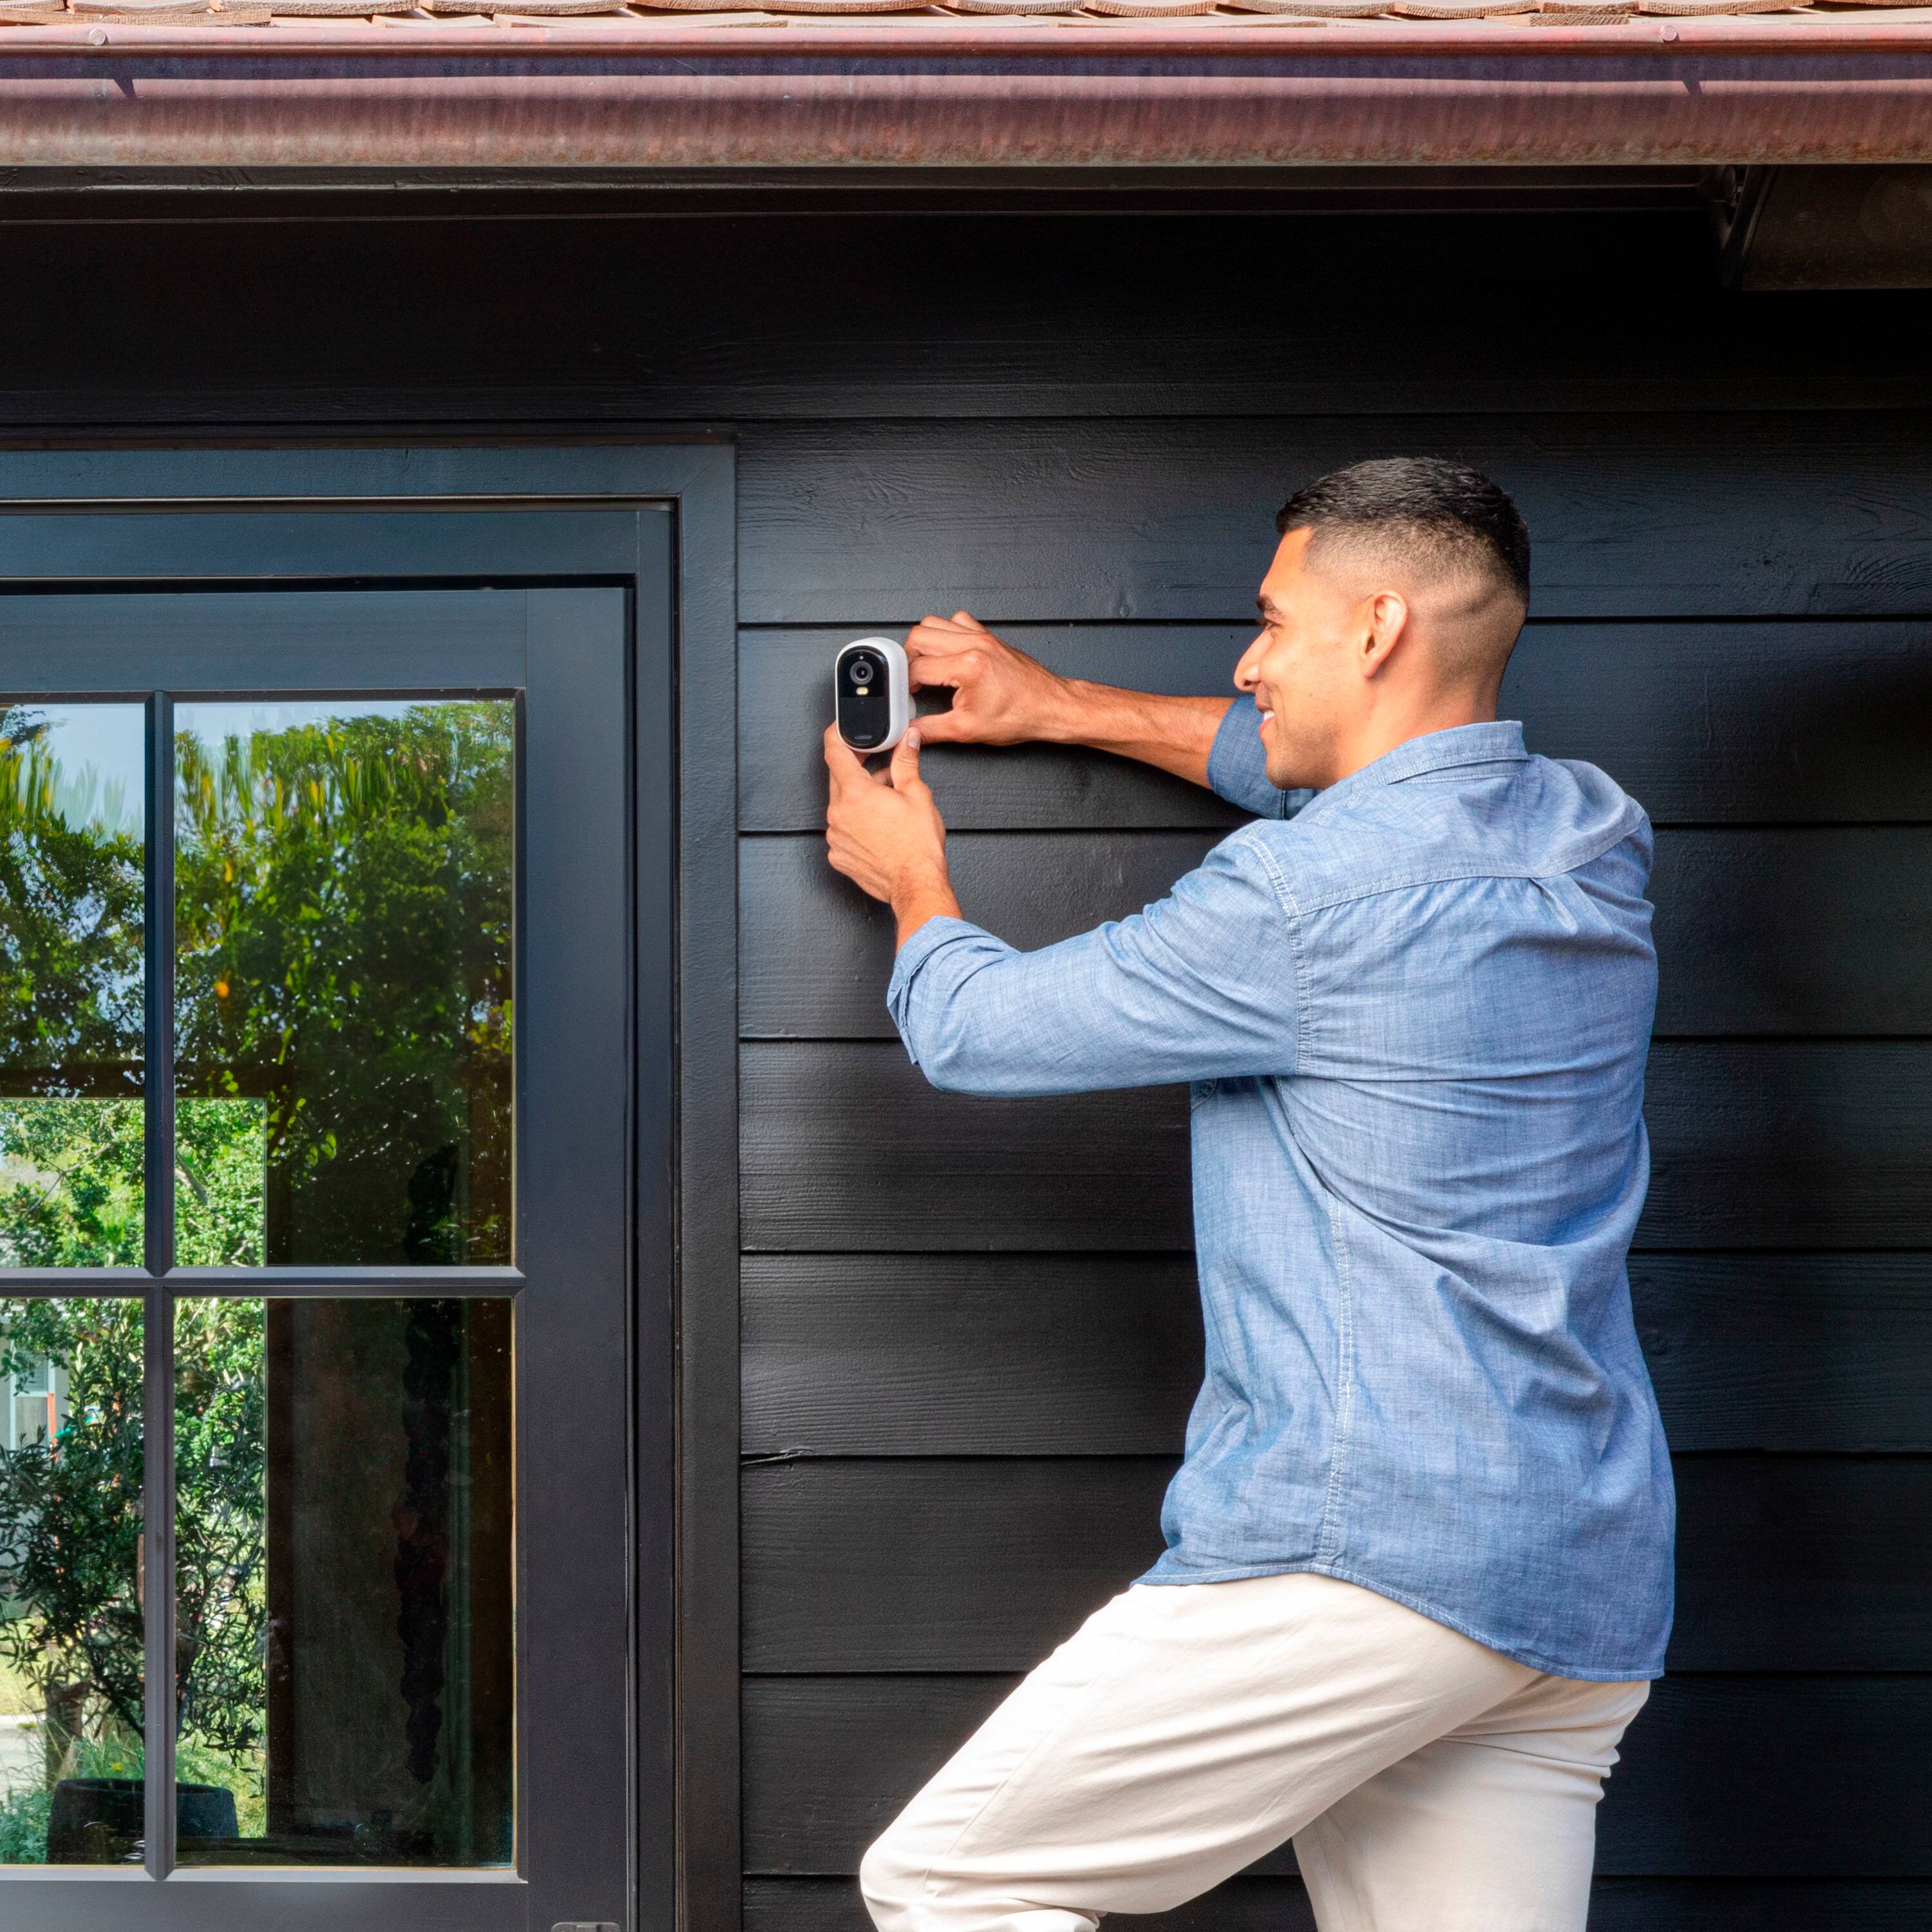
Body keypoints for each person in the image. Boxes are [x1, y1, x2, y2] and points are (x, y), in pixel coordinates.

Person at [821, 457, 1674, 1932]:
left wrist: (915, 884)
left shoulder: (1294, 906)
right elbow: (1319, 769)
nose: (1248, 660)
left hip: (1364, 1555)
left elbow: (979, 1031)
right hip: (1572, 1584)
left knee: (951, 1882)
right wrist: (1059, 704)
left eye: (1275, 623)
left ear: (1381, 627)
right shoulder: (1592, 836)